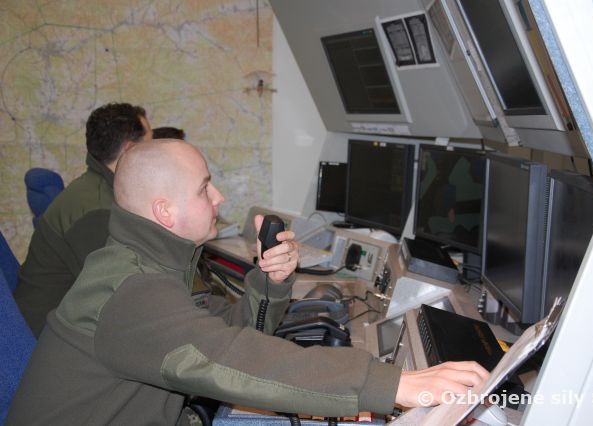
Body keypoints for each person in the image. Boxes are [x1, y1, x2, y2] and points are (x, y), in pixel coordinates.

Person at [7, 140, 488, 425]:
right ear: (164, 211)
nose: (218, 197)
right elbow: (234, 360)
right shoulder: (132, 292)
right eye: (204, 187)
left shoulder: (153, 264)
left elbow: (232, 332)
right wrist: (394, 384)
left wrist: (270, 280)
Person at [13, 102, 153, 336]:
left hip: (57, 325)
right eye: (150, 144)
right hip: (47, 338)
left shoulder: (95, 191)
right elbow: (120, 296)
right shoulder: (98, 212)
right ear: (129, 150)